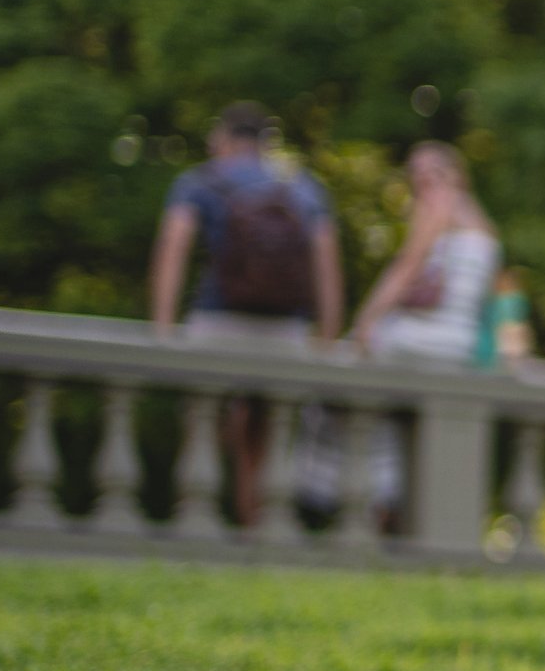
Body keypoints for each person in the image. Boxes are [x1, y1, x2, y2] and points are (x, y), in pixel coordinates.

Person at [148, 104, 343, 528]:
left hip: (217, 322)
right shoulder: (304, 187)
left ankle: (196, 522)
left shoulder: (202, 180)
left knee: (203, 425)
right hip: (287, 330)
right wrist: (325, 338)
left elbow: (173, 248)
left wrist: (163, 329)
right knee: (269, 434)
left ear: (223, 137)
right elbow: (326, 265)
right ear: (266, 143)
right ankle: (258, 528)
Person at [349, 141, 505, 527]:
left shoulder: (437, 206)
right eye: (416, 172)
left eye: (432, 171)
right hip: (460, 346)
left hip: (419, 339)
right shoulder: (484, 226)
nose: (423, 181)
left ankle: (377, 501)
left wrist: (364, 322)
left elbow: (406, 268)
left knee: (350, 390)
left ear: (454, 174)